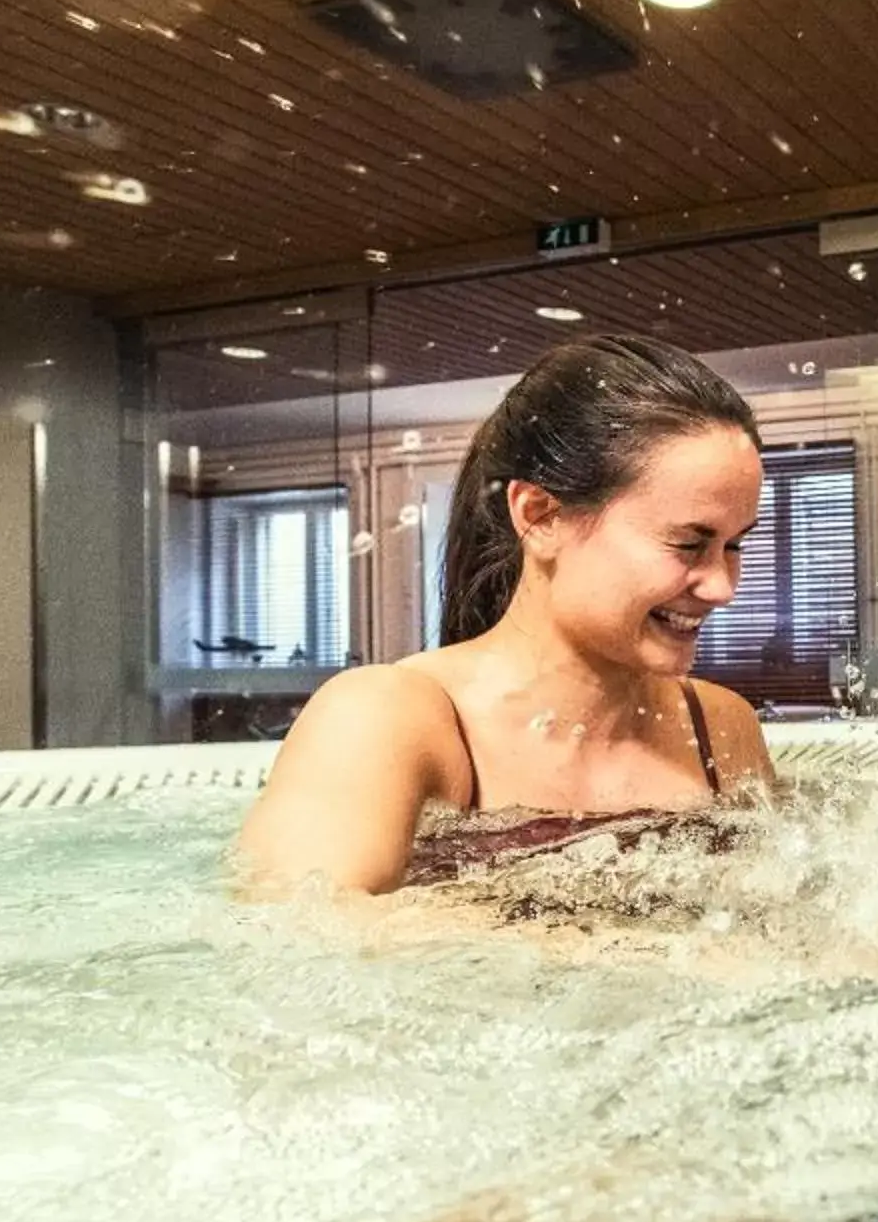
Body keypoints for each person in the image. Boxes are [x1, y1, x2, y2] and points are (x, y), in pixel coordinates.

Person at [234, 335, 774, 895]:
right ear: (540, 516)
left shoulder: (716, 729)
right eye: (690, 544)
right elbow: (290, 942)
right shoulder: (389, 720)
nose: (723, 587)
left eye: (735, 545)